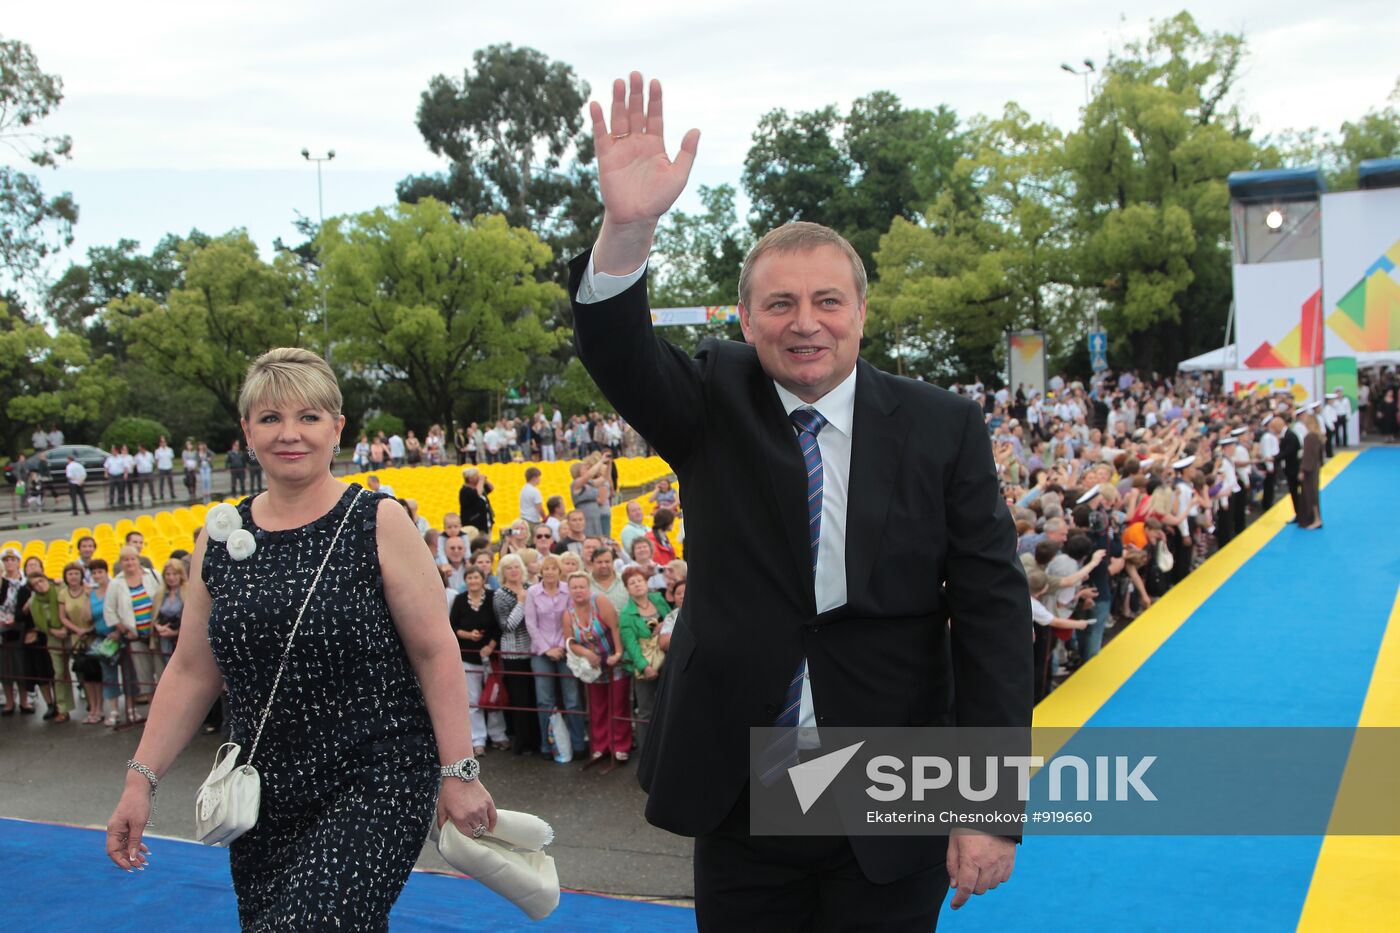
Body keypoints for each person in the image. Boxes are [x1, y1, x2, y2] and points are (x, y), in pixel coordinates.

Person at [571, 73, 1030, 929]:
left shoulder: (943, 427)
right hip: (744, 782)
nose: (804, 321)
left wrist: (987, 801)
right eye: (780, 303)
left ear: (862, 312)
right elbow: (616, 347)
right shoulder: (711, 398)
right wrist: (629, 228)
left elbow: (995, 615)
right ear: (745, 319)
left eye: (827, 300)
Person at [104, 347, 495, 930]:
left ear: (337, 428)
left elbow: (435, 650)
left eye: (309, 417)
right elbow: (191, 669)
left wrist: (457, 773)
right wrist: (140, 783)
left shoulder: (379, 521)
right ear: (247, 431)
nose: (290, 434)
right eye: (270, 418)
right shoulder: (219, 538)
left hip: (378, 777)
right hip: (263, 792)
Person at [564, 570, 630, 772]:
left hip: (613, 661)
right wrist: (585, 653)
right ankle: (601, 746)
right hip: (592, 667)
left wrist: (618, 653)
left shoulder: (599, 601)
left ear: (588, 587)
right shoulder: (568, 614)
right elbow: (570, 641)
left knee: (618, 704)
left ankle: (620, 746)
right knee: (597, 706)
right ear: (569, 590)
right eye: (574, 587)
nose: (578, 591)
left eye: (582, 586)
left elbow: (615, 627)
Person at [524, 554, 587, 758]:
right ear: (541, 571)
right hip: (541, 652)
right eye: (546, 568)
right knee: (545, 701)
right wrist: (547, 649)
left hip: (565, 649)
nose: (550, 571)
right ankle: (548, 745)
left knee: (572, 699)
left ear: (559, 571)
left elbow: (570, 619)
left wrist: (560, 646)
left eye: (554, 568)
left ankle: (578, 745)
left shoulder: (566, 591)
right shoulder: (533, 592)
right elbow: (531, 624)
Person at [448, 567, 509, 755]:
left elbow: (500, 625)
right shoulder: (459, 600)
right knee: (473, 699)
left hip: (489, 655)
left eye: (476, 577)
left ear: (483, 580)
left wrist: (490, 645)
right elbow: (453, 626)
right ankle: (478, 739)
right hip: (468, 656)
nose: (473, 581)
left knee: (492, 695)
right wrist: (468, 635)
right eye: (469, 578)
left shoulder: (493, 597)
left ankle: (498, 735)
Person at [617, 566, 670, 748]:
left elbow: (672, 618)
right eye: (632, 583)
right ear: (627, 588)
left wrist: (664, 623)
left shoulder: (658, 599)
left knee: (669, 707)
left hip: (667, 659)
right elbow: (631, 645)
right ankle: (646, 750)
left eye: (639, 580)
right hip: (645, 664)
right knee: (646, 710)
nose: (637, 585)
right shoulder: (626, 615)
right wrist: (644, 667)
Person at [494, 553, 540, 756]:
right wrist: (521, 603)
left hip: (533, 650)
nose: (514, 571)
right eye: (509, 568)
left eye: (516, 566)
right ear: (503, 573)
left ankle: (537, 741)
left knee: (534, 698)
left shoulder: (530, 589)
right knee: (520, 700)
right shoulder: (500, 595)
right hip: (513, 654)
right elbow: (507, 626)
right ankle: (523, 743)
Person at [106, 545, 163, 703]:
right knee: (144, 677)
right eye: (125, 560)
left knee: (162, 672)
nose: (129, 562)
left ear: (138, 560)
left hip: (155, 634)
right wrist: (123, 629)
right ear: (121, 562)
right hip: (135, 637)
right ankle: (152, 712)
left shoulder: (153, 575)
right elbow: (110, 610)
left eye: (132, 558)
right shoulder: (116, 583)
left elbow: (163, 597)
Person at [57, 560, 103, 724]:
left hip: (92, 637)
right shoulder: (63, 593)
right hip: (77, 638)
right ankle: (92, 707)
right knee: (85, 675)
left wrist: (88, 630)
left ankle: (100, 707)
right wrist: (77, 630)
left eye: (76, 573)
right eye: (70, 574)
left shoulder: (89, 591)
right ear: (66, 577)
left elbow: (96, 612)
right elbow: (62, 617)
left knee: (97, 674)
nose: (73, 577)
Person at [1297, 413, 1325, 529]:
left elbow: (1307, 456)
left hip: (1310, 470)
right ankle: (1315, 518)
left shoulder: (1309, 437)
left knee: (1310, 494)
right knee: (1313, 493)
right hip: (1315, 468)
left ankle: (1316, 519)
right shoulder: (1319, 436)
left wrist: (1303, 470)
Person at [458, 467, 494, 539]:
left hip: (486, 524)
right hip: (474, 524)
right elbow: (476, 494)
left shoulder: (479, 487)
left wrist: (485, 481)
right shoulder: (465, 491)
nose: (478, 476)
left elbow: (491, 488)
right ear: (470, 478)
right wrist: (481, 480)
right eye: (476, 475)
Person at [154, 437, 176, 501]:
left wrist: (172, 466)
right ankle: (161, 494)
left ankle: (172, 493)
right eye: (162, 442)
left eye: (164, 442)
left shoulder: (170, 450)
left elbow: (172, 458)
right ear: (160, 443)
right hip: (161, 467)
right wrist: (157, 467)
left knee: (170, 482)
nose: (163, 443)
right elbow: (156, 460)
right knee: (161, 482)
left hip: (169, 467)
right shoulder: (157, 451)